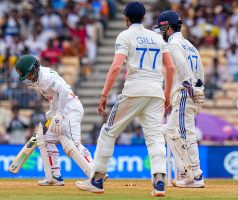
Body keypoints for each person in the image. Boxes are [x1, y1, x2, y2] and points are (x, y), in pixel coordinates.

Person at [75, 2, 174, 197]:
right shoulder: (156, 37)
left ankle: (96, 181)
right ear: (144, 18)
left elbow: (116, 66)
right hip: (156, 91)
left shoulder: (125, 35)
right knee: (154, 138)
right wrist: (168, 94)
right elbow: (170, 68)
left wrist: (104, 94)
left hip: (134, 90)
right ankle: (159, 181)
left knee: (108, 132)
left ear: (126, 18)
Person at [15, 55, 94, 186]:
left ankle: (95, 174)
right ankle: (54, 176)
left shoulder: (46, 78)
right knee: (45, 139)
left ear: (34, 69)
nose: (28, 79)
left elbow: (63, 91)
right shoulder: (41, 79)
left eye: (29, 75)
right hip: (65, 109)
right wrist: (52, 112)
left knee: (73, 143)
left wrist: (60, 114)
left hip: (70, 109)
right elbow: (55, 97)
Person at [156, 10, 205, 188]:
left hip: (185, 92)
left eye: (161, 29)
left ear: (167, 27)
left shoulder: (173, 44)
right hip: (192, 91)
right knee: (170, 131)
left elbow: (183, 68)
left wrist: (189, 87)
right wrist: (199, 89)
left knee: (186, 133)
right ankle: (185, 172)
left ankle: (196, 175)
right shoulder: (190, 45)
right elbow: (200, 71)